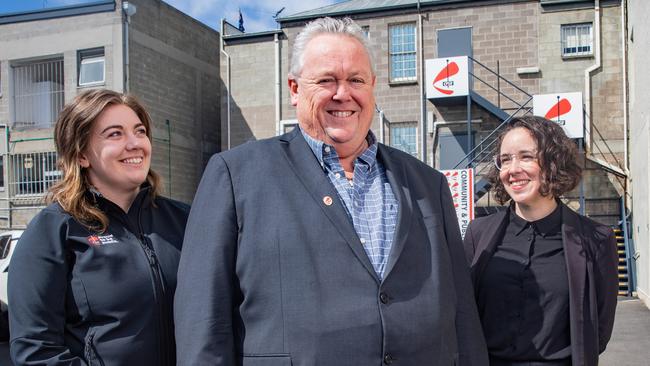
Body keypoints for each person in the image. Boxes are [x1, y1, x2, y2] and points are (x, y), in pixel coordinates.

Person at [175, 17, 488, 366]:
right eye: (327, 80)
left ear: (371, 86)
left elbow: (462, 314)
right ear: (294, 89)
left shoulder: (427, 184)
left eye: (356, 80)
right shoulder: (236, 175)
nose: (343, 94)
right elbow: (203, 318)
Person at [8, 89, 189, 366]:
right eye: (115, 134)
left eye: (139, 131)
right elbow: (36, 350)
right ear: (81, 155)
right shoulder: (54, 230)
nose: (134, 143)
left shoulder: (186, 220)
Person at [463, 116, 618, 366]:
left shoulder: (596, 240)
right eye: (505, 159)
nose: (513, 169)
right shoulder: (477, 234)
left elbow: (597, 332)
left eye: (526, 156)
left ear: (553, 162)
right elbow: (465, 314)